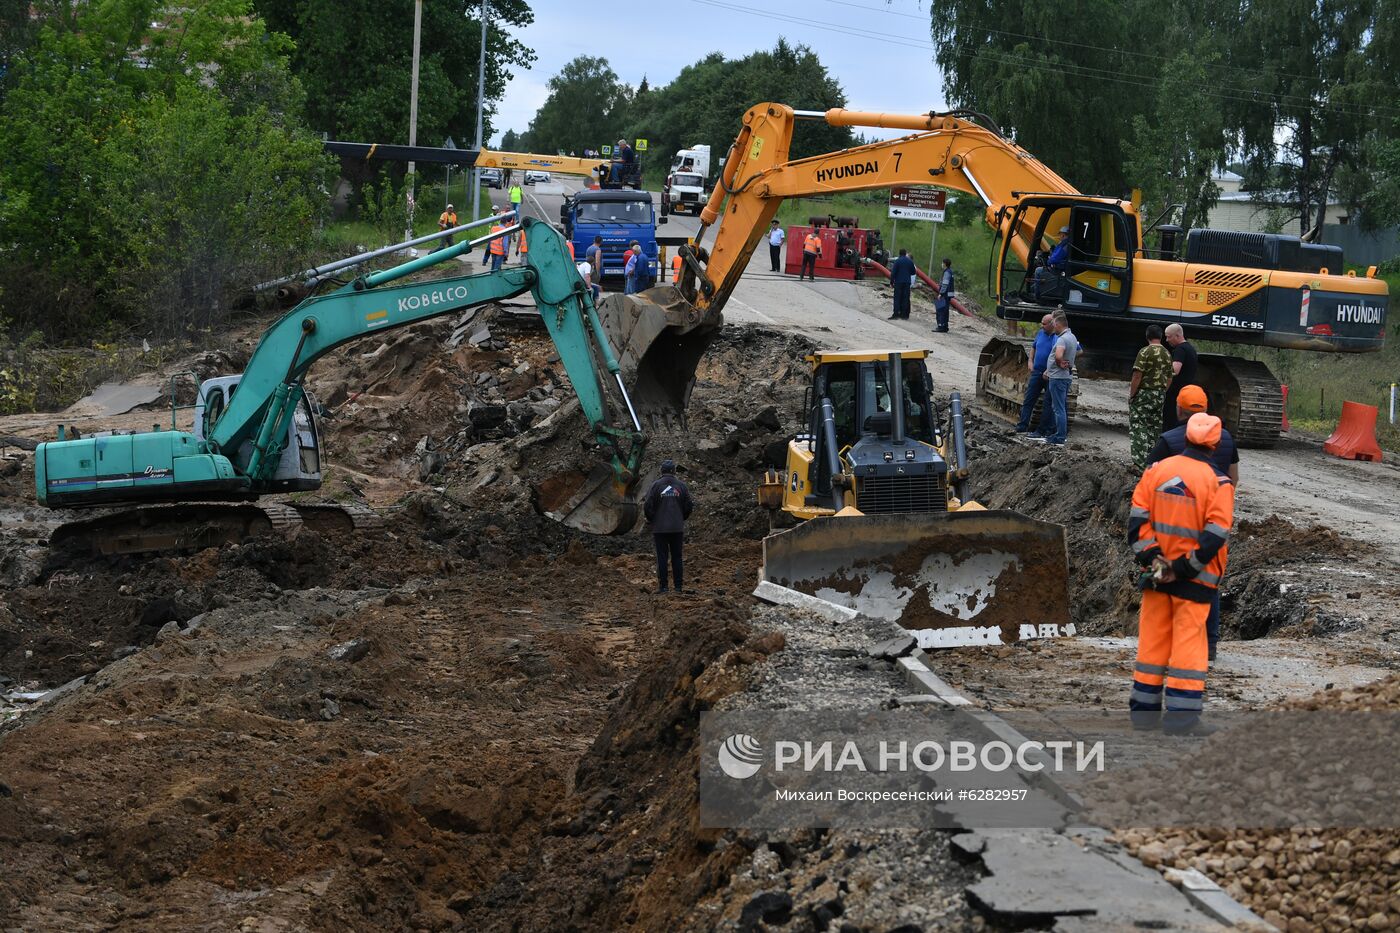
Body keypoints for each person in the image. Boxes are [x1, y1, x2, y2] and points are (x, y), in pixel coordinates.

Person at [1127, 413, 1234, 735]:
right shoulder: (1219, 484)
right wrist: (1183, 569)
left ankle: (1143, 716)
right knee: (1189, 647)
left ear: (1185, 437)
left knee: (1152, 645)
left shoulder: (1156, 471)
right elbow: (1215, 534)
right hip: (1195, 581)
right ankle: (1181, 720)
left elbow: (1137, 523)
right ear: (1215, 445)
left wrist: (1157, 563)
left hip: (1157, 576)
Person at [1145, 384, 1241, 662]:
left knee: (1163, 582)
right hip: (1211, 525)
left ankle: (1164, 641)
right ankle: (1209, 645)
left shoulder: (1168, 441)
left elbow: (1149, 482)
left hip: (1171, 526)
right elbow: (1233, 479)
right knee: (1208, 584)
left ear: (1179, 409)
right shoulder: (1226, 438)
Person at [1027, 310, 1078, 446]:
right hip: (1065, 376)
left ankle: (1059, 437)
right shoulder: (1072, 337)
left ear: (1059, 324)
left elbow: (1058, 355)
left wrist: (1059, 362)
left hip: (1058, 377)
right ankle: (1059, 434)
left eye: (1054, 325)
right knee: (1060, 407)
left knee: (1058, 408)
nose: (1053, 327)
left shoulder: (1062, 339)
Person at [644, 459, 693, 594]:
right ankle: (678, 587)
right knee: (677, 557)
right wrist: (681, 518)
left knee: (662, 557)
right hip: (677, 528)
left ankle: (664, 587)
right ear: (674, 471)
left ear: (661, 471)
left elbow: (647, 506)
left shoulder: (655, 486)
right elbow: (689, 505)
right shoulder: (681, 486)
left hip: (660, 529)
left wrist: (653, 519)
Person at [1128, 324, 1173, 469]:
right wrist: (1162, 391)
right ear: (1160, 336)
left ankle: (1140, 464)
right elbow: (1170, 377)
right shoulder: (1167, 353)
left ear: (1147, 336)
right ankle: (1153, 463)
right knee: (1154, 427)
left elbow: (1137, 375)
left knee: (1139, 425)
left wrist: (1132, 395)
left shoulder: (1145, 351)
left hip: (1144, 393)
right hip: (1159, 394)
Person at [1014, 314, 1056, 433]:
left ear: (1052, 324)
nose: (1041, 326)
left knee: (1048, 403)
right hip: (1037, 372)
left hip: (1050, 375)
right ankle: (1022, 425)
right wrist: (1030, 360)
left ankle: (1043, 429)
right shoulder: (1041, 333)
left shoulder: (1058, 337)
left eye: (1044, 324)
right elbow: (1034, 347)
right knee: (1029, 400)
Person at [1162, 323, 1200, 430]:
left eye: (1169, 337)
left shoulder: (1180, 350)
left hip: (1175, 393)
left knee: (1170, 421)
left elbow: (1175, 370)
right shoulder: (1190, 349)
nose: (1167, 340)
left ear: (1177, 335)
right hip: (1186, 391)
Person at [1033, 226, 1071, 299]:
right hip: (1063, 269)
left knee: (1038, 271)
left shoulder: (1064, 245)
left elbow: (1054, 259)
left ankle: (1037, 296)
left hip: (1058, 270)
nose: (1059, 236)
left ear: (1063, 235)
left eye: (1060, 234)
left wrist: (1048, 260)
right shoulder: (1068, 244)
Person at [888, 248, 916, 320]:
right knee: (905, 298)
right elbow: (913, 272)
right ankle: (904, 315)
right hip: (907, 282)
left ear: (899, 254)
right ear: (905, 253)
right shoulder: (909, 261)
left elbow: (893, 273)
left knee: (897, 298)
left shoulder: (897, 261)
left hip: (898, 282)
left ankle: (896, 314)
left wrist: (891, 282)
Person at [935, 257, 954, 332]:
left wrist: (941, 293)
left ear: (945, 264)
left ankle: (941, 326)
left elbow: (945, 284)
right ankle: (945, 326)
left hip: (944, 294)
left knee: (941, 310)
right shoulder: (950, 271)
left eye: (942, 263)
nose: (941, 264)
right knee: (945, 311)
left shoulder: (946, 273)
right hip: (948, 295)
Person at [586, 235, 604, 301]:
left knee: (589, 286)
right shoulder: (597, 249)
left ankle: (588, 300)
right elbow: (597, 261)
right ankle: (595, 302)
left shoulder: (589, 248)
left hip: (588, 270)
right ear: (601, 242)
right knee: (595, 287)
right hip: (594, 271)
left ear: (594, 240)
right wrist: (598, 272)